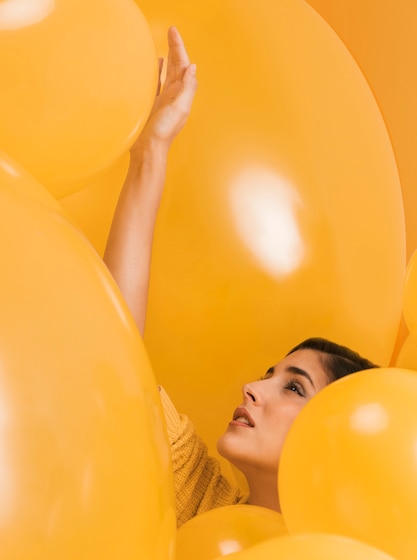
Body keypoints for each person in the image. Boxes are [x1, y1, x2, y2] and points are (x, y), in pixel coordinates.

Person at [104, 27, 378, 527]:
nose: (252, 387)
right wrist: (152, 149)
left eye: (293, 388)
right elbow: (113, 348)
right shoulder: (200, 498)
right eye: (271, 375)